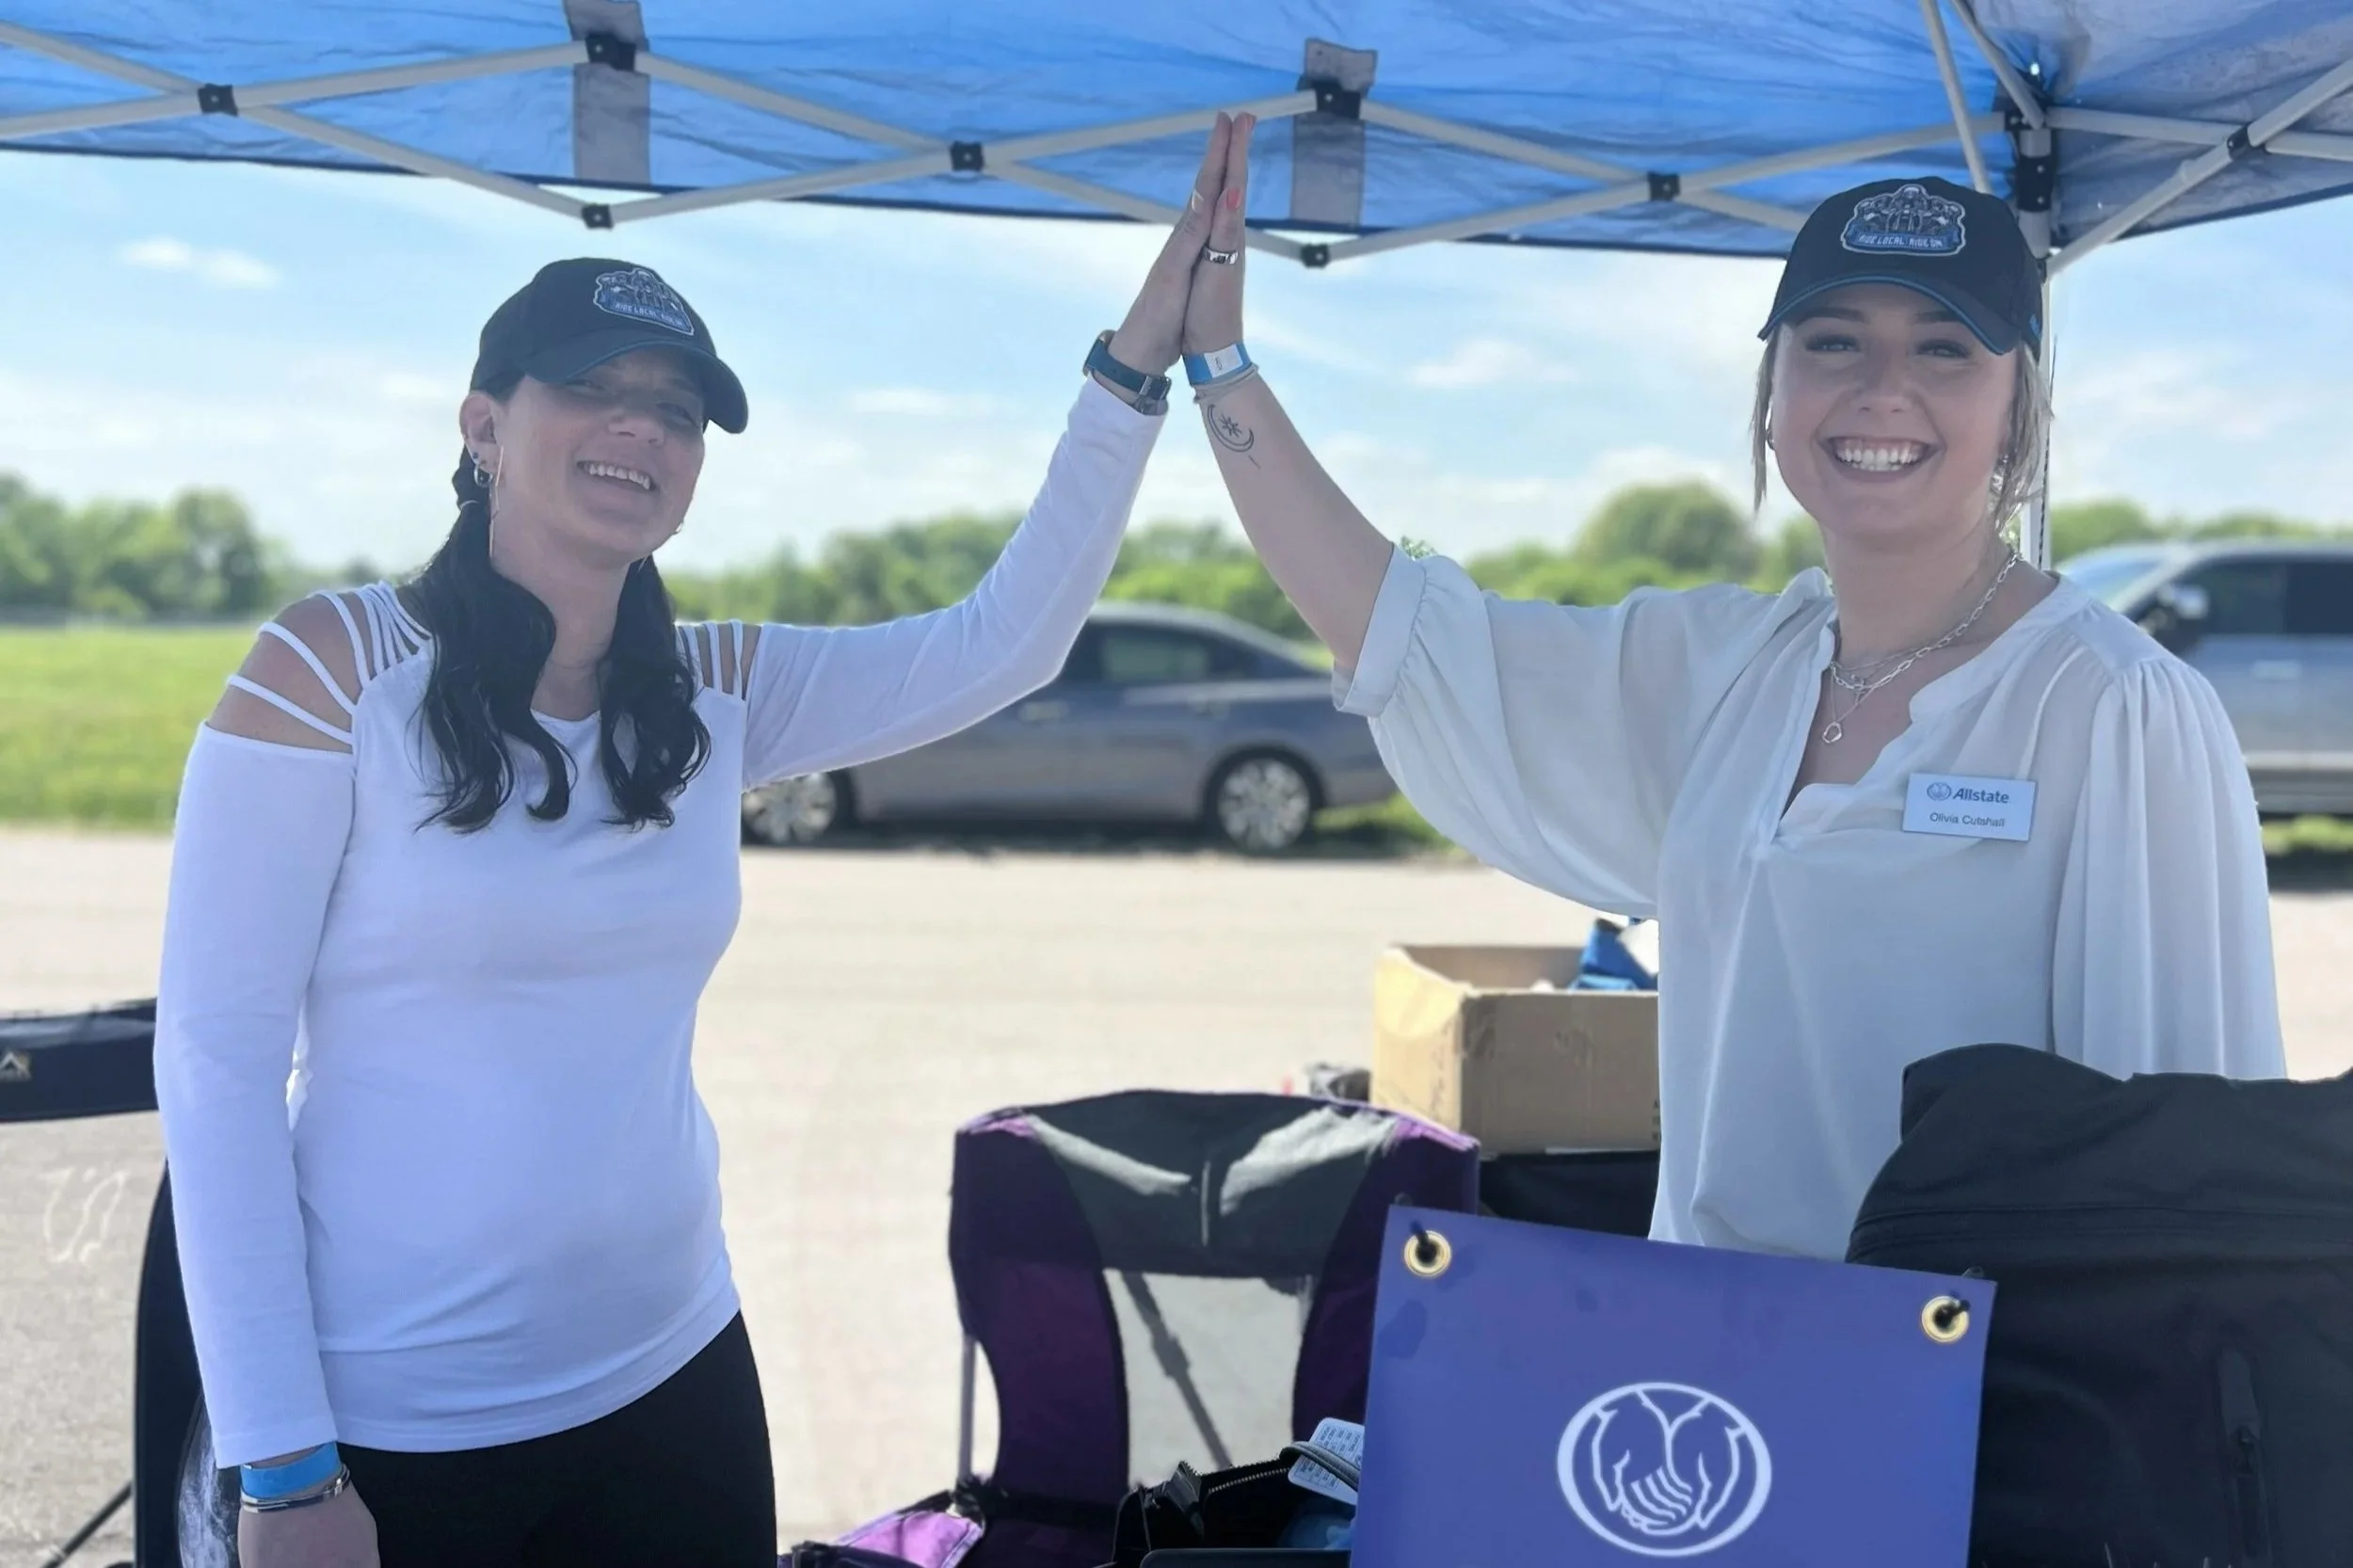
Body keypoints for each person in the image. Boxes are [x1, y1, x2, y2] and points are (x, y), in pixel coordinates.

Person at [153, 128, 1247, 1568]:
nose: (640, 429)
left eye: (676, 409)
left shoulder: (719, 689)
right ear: (483, 424)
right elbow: (217, 1061)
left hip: (672, 1373)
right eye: (593, 389)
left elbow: (1005, 642)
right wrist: (281, 1466)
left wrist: (1132, 372)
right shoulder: (330, 667)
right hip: (394, 1423)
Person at [1167, 115, 2284, 1258]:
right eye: (1833, 342)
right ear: (1773, 391)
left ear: (2018, 410)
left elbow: (2186, 1177)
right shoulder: (1734, 669)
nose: (1881, 389)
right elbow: (1411, 635)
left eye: (1945, 346)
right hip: (1710, 1387)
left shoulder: (2108, 710)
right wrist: (1219, 364)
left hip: (1977, 1406)